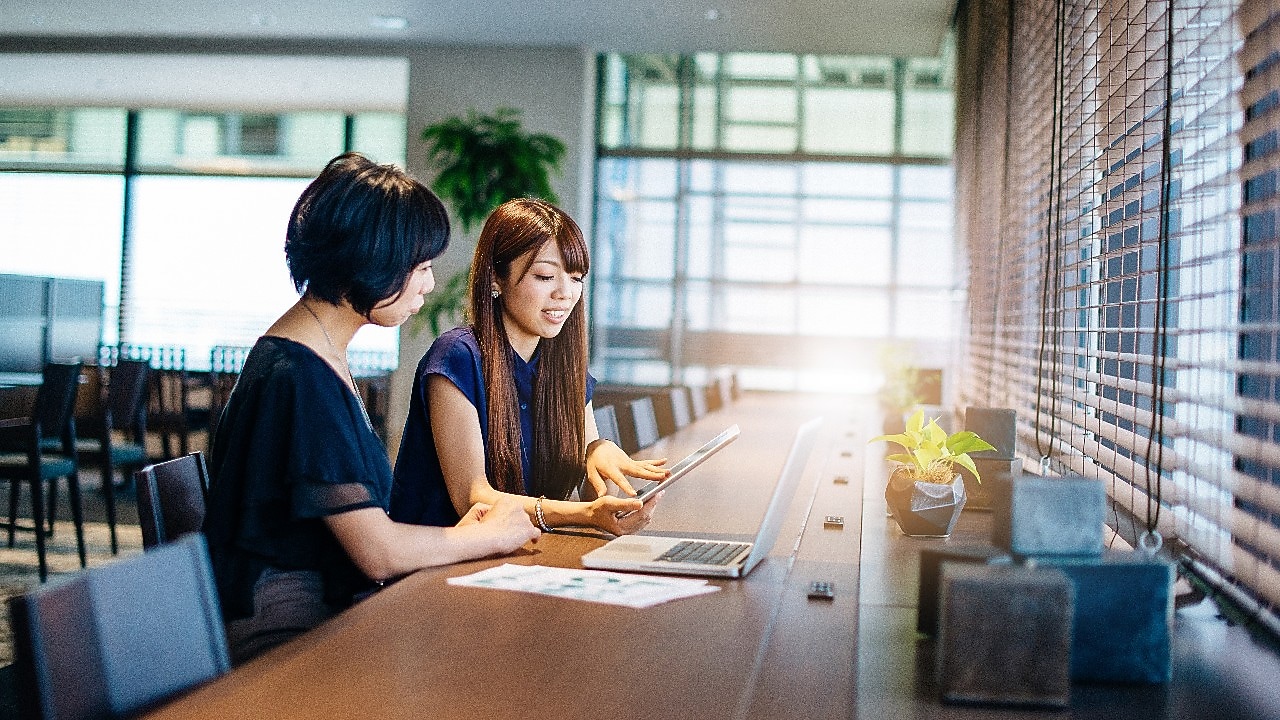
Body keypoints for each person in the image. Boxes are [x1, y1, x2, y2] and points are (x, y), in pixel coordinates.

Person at [202, 153, 539, 664]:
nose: (428, 283)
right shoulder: (301, 376)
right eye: (420, 266)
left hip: (322, 611)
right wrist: (487, 536)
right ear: (373, 259)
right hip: (288, 635)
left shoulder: (306, 353)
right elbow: (377, 551)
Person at [391, 198, 669, 536]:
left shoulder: (564, 367)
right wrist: (584, 514)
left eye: (576, 277)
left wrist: (600, 455)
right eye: (545, 275)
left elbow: (595, 502)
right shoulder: (457, 357)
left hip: (521, 559)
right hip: (437, 570)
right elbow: (473, 500)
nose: (565, 293)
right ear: (496, 277)